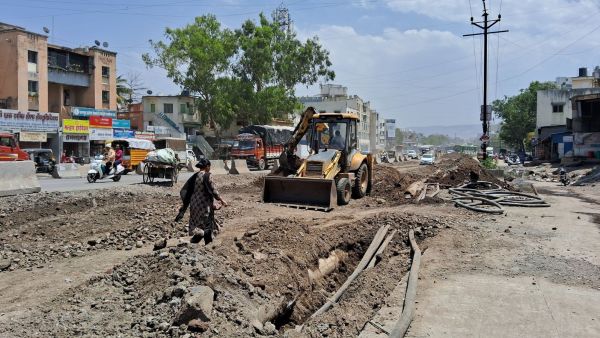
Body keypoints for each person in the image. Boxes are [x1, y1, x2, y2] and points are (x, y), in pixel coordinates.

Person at [176, 159, 228, 245]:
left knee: (197, 224)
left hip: (194, 204)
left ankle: (194, 241)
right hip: (203, 205)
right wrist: (222, 200)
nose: (210, 168)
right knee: (207, 224)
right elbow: (214, 190)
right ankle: (208, 244)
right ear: (207, 166)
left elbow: (187, 190)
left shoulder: (195, 176)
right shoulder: (207, 176)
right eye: (209, 166)